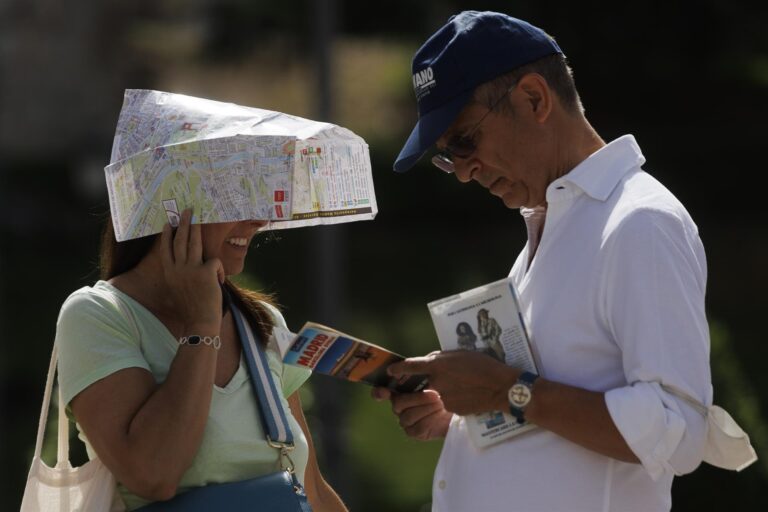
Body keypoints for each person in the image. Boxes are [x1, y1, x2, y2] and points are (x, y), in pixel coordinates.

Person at [373, 10, 712, 512]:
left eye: (464, 141)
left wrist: (503, 391)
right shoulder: (555, 222)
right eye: (447, 156)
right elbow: (545, 408)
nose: (464, 172)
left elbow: (679, 433)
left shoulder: (640, 222)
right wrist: (462, 416)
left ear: (534, 98)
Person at [56, 209, 348, 511]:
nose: (259, 220)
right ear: (171, 203)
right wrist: (202, 325)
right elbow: (154, 475)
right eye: (234, 199)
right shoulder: (97, 314)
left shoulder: (262, 322)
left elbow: (311, 488)